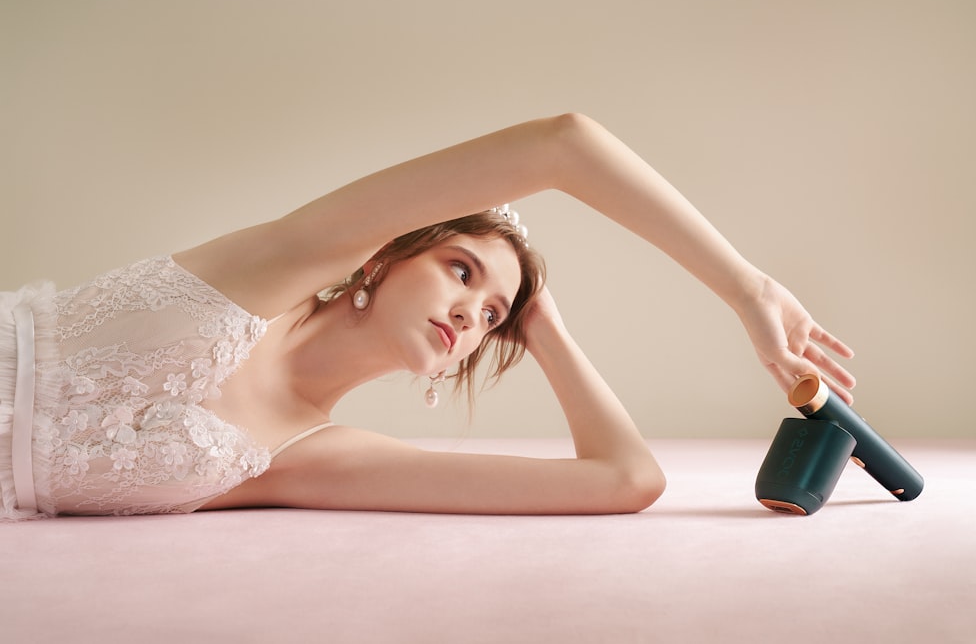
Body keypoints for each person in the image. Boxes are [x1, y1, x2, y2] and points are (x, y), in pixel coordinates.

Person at [0, 113, 855, 520]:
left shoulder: (301, 460)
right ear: (376, 256)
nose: (470, 311)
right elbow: (561, 144)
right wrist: (747, 288)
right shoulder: (273, 268)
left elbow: (624, 481)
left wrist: (541, 325)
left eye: (491, 314)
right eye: (459, 269)